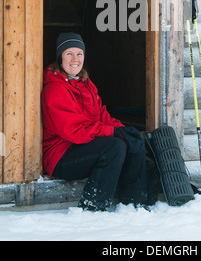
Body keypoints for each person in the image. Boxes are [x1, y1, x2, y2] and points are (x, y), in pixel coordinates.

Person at [41, 32, 148, 211]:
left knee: (129, 141)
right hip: (60, 156)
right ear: (60, 57)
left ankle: (134, 203)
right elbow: (74, 131)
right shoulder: (55, 90)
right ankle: (94, 206)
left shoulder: (85, 83)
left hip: (81, 148)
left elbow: (101, 116)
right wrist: (113, 133)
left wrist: (122, 129)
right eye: (69, 54)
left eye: (79, 54)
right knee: (114, 147)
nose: (75, 59)